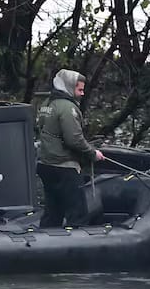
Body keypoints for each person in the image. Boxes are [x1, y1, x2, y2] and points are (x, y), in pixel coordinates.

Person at [35, 69, 105, 227]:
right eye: (79, 89)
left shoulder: (46, 104)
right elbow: (74, 139)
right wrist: (93, 153)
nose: (82, 93)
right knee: (78, 213)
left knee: (53, 211)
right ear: (69, 87)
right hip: (65, 167)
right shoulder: (68, 108)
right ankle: (79, 246)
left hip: (46, 165)